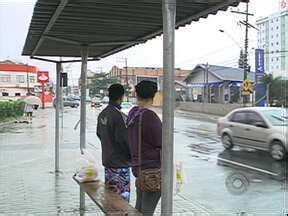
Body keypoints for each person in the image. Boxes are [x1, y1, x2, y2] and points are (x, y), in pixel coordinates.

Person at [127, 80, 162, 215]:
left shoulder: (133, 113)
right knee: (147, 212)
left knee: (139, 210)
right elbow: (162, 142)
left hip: (139, 168)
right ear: (153, 95)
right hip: (152, 172)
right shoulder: (150, 116)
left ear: (137, 94)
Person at [96, 84, 131, 202]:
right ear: (121, 97)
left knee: (111, 198)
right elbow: (124, 140)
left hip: (108, 161)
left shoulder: (103, 114)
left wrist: (108, 145)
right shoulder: (118, 116)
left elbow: (99, 134)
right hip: (120, 164)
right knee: (122, 201)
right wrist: (132, 156)